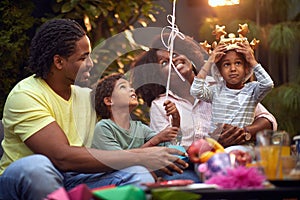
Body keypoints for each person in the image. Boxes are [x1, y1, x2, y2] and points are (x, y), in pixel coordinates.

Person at [0, 19, 188, 200]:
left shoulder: (86, 97)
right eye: (83, 57)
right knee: (37, 166)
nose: (91, 63)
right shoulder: (26, 95)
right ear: (58, 62)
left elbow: (120, 128)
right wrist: (140, 156)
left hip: (75, 179)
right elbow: (61, 157)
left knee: (137, 174)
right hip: (23, 180)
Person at [131, 33, 277, 181]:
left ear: (188, 56)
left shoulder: (221, 86)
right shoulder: (160, 105)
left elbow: (267, 120)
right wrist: (213, 144)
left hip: (232, 157)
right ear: (160, 76)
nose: (174, 61)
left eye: (175, 54)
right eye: (163, 63)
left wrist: (245, 132)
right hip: (188, 167)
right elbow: (167, 151)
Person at [190, 41, 274, 144]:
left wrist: (252, 60)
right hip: (217, 147)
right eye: (226, 65)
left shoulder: (252, 91)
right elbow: (195, 91)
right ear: (219, 71)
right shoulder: (215, 91)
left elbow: (268, 84)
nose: (233, 69)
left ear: (246, 68)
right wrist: (210, 61)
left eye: (238, 63)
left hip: (243, 147)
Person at [91, 72, 181, 150]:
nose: (132, 89)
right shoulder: (104, 127)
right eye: (122, 87)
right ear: (109, 101)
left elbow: (166, 144)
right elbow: (121, 160)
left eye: (130, 86)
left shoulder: (140, 128)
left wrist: (175, 118)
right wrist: (156, 139)